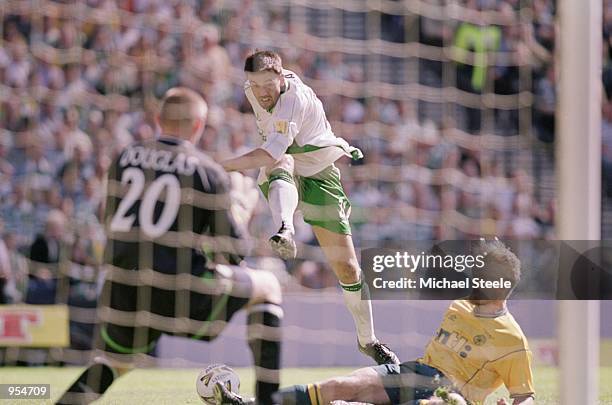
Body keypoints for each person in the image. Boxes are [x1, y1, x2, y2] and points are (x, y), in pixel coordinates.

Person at [55, 87, 282, 405]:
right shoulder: (207, 171)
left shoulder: (123, 159)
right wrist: (241, 208)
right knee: (269, 286)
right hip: (180, 293)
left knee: (113, 365)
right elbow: (234, 252)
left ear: (159, 119)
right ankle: (269, 400)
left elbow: (112, 223)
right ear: (199, 126)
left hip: (124, 290)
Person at [221, 50, 398, 365]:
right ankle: (284, 228)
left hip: (319, 174)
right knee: (282, 162)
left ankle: (368, 340)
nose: (261, 92)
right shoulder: (252, 92)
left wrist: (223, 166)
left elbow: (269, 150)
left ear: (280, 76)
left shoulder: (295, 99)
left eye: (267, 84)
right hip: (285, 170)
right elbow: (274, 152)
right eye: (254, 83)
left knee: (348, 268)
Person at [216, 240, 535, 405]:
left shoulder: (512, 341)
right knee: (339, 387)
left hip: (452, 397)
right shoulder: (460, 304)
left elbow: (525, 395)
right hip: (414, 372)